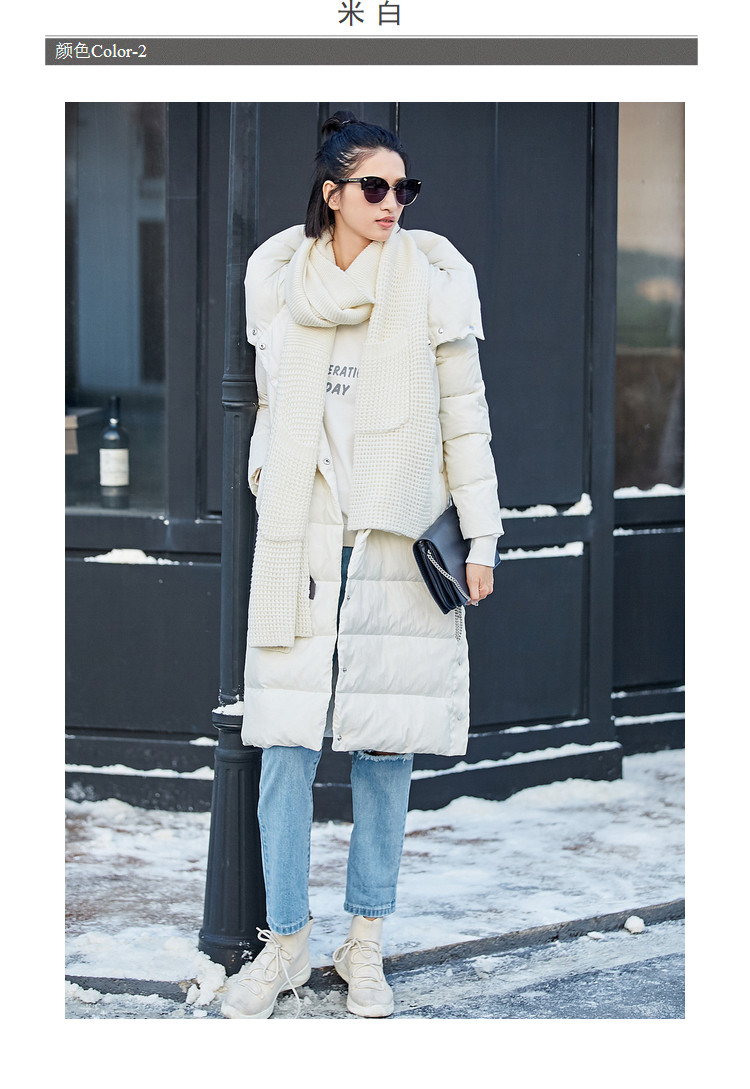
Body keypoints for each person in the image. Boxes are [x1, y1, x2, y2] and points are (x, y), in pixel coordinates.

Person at [221, 111, 504, 1020]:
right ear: (332, 193)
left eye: (403, 188)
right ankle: (286, 944)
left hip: (395, 543)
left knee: (386, 750)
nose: (392, 203)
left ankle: (366, 941)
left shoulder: (430, 284)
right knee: (284, 749)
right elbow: (270, 409)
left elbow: (466, 420)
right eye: (374, 187)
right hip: (303, 544)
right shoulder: (284, 285)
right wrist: (267, 472)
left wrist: (483, 538)